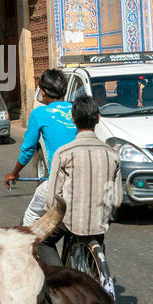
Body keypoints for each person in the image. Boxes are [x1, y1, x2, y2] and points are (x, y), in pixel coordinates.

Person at [4, 67, 76, 226]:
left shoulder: (39, 114)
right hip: (85, 178)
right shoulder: (78, 109)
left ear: (43, 92)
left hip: (57, 182)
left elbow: (28, 149)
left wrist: (14, 173)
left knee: (29, 222)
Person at [44, 94, 121, 237]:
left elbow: (51, 200)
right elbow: (116, 200)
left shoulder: (63, 153)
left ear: (73, 119)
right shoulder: (113, 154)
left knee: (42, 244)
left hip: (70, 223)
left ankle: (61, 260)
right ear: (98, 118)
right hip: (100, 223)